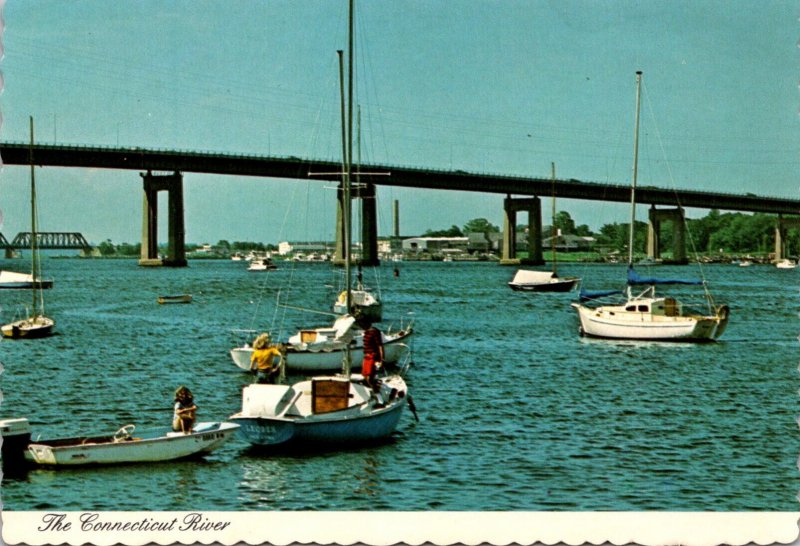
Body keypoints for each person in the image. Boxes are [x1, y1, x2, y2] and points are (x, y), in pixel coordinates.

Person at [359, 318, 384, 390]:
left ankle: (375, 390)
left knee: (370, 377)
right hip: (366, 356)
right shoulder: (366, 332)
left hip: (373, 356)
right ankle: (373, 388)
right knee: (365, 375)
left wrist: (382, 359)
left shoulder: (374, 331)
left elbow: (380, 345)